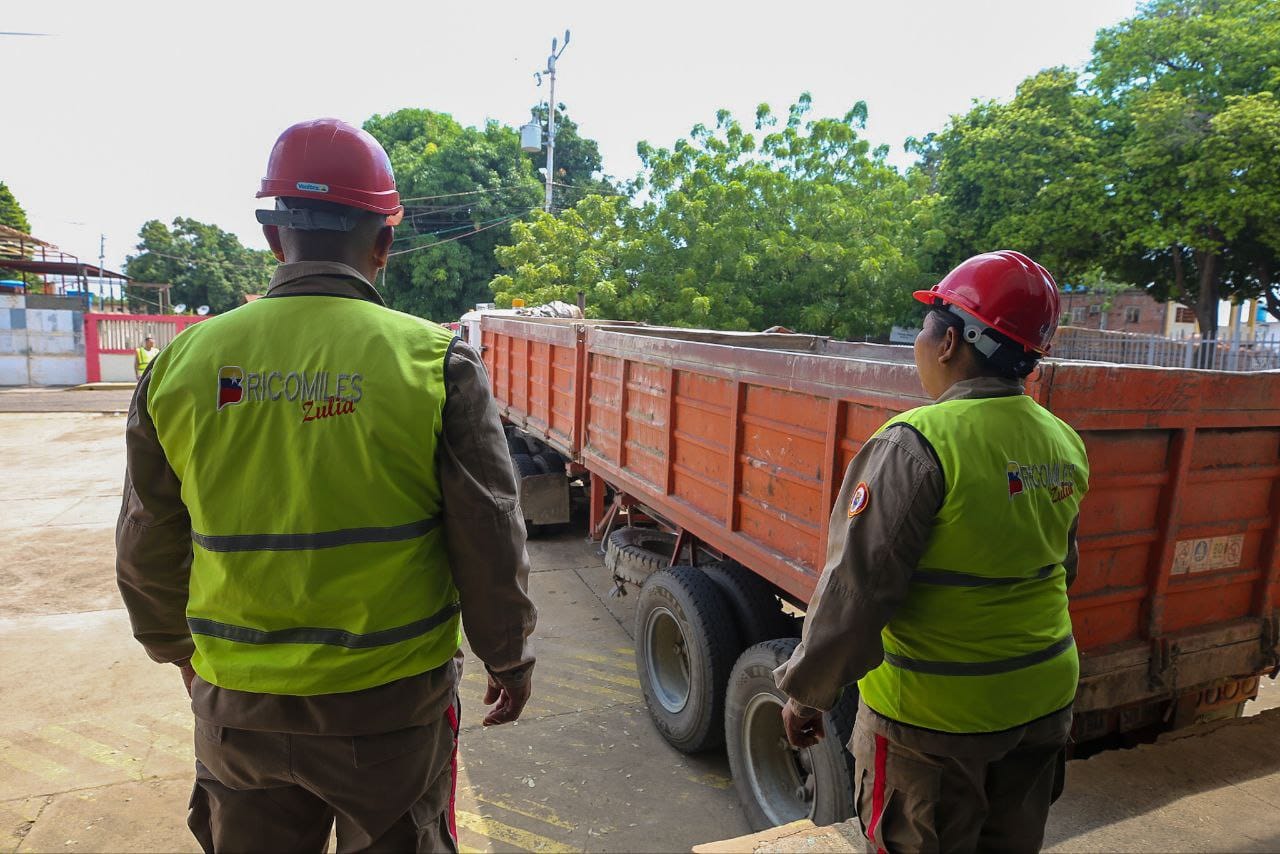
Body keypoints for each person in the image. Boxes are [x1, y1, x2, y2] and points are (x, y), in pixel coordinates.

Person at [116, 117, 537, 853]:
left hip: (237, 711)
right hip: (391, 715)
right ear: (384, 241)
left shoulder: (181, 364)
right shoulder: (434, 364)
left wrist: (180, 655)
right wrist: (508, 654)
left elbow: (147, 545)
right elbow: (489, 534)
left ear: (274, 238)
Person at [773, 250, 1088, 854]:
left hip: (935, 724)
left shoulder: (916, 445)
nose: (918, 341)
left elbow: (856, 594)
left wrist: (808, 691)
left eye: (924, 326)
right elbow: (1058, 569)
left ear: (949, 344)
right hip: (1044, 702)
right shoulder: (1061, 440)